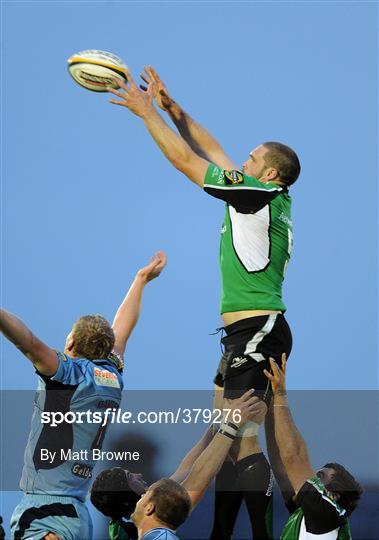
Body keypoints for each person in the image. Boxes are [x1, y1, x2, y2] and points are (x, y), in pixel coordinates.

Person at [108, 67, 301, 538]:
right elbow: (211, 151)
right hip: (248, 330)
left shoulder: (256, 196)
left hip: (257, 327)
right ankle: (228, 532)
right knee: (230, 435)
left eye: (252, 158)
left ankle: (256, 534)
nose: (243, 160)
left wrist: (146, 113)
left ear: (269, 172)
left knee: (242, 435)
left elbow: (188, 163)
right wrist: (175, 110)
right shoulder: (258, 194)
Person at [0, 252, 167, 540]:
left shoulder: (66, 373)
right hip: (74, 511)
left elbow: (26, 341)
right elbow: (122, 330)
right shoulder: (111, 374)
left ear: (72, 342)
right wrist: (140, 281)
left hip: (46, 513)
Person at [90, 390, 268, 539]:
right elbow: (198, 479)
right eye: (131, 478)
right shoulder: (154, 523)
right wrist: (231, 425)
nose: (138, 475)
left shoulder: (126, 518)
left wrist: (216, 427)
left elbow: (185, 471)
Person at [264, 355, 362, 539]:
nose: (312, 477)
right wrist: (269, 403)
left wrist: (280, 395)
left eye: (320, 476)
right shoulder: (309, 513)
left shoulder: (326, 513)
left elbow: (293, 456)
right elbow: (281, 462)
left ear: (334, 495)